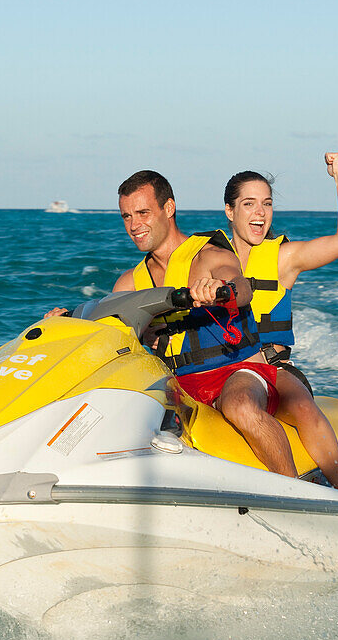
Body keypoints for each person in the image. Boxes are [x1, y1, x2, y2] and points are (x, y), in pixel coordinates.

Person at [52, 170, 305, 480]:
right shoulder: (130, 282)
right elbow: (106, 329)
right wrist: (64, 325)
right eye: (126, 216)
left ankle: (296, 492)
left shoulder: (209, 256)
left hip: (235, 372)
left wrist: (218, 288)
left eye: (143, 212)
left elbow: (241, 287)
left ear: (168, 208)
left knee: (240, 406)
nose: (134, 225)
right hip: (178, 382)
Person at [221, 153, 338, 490]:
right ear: (230, 211)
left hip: (273, 370)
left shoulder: (283, 258)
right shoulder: (208, 258)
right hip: (221, 370)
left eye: (266, 204)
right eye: (249, 203)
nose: (260, 213)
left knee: (304, 408)